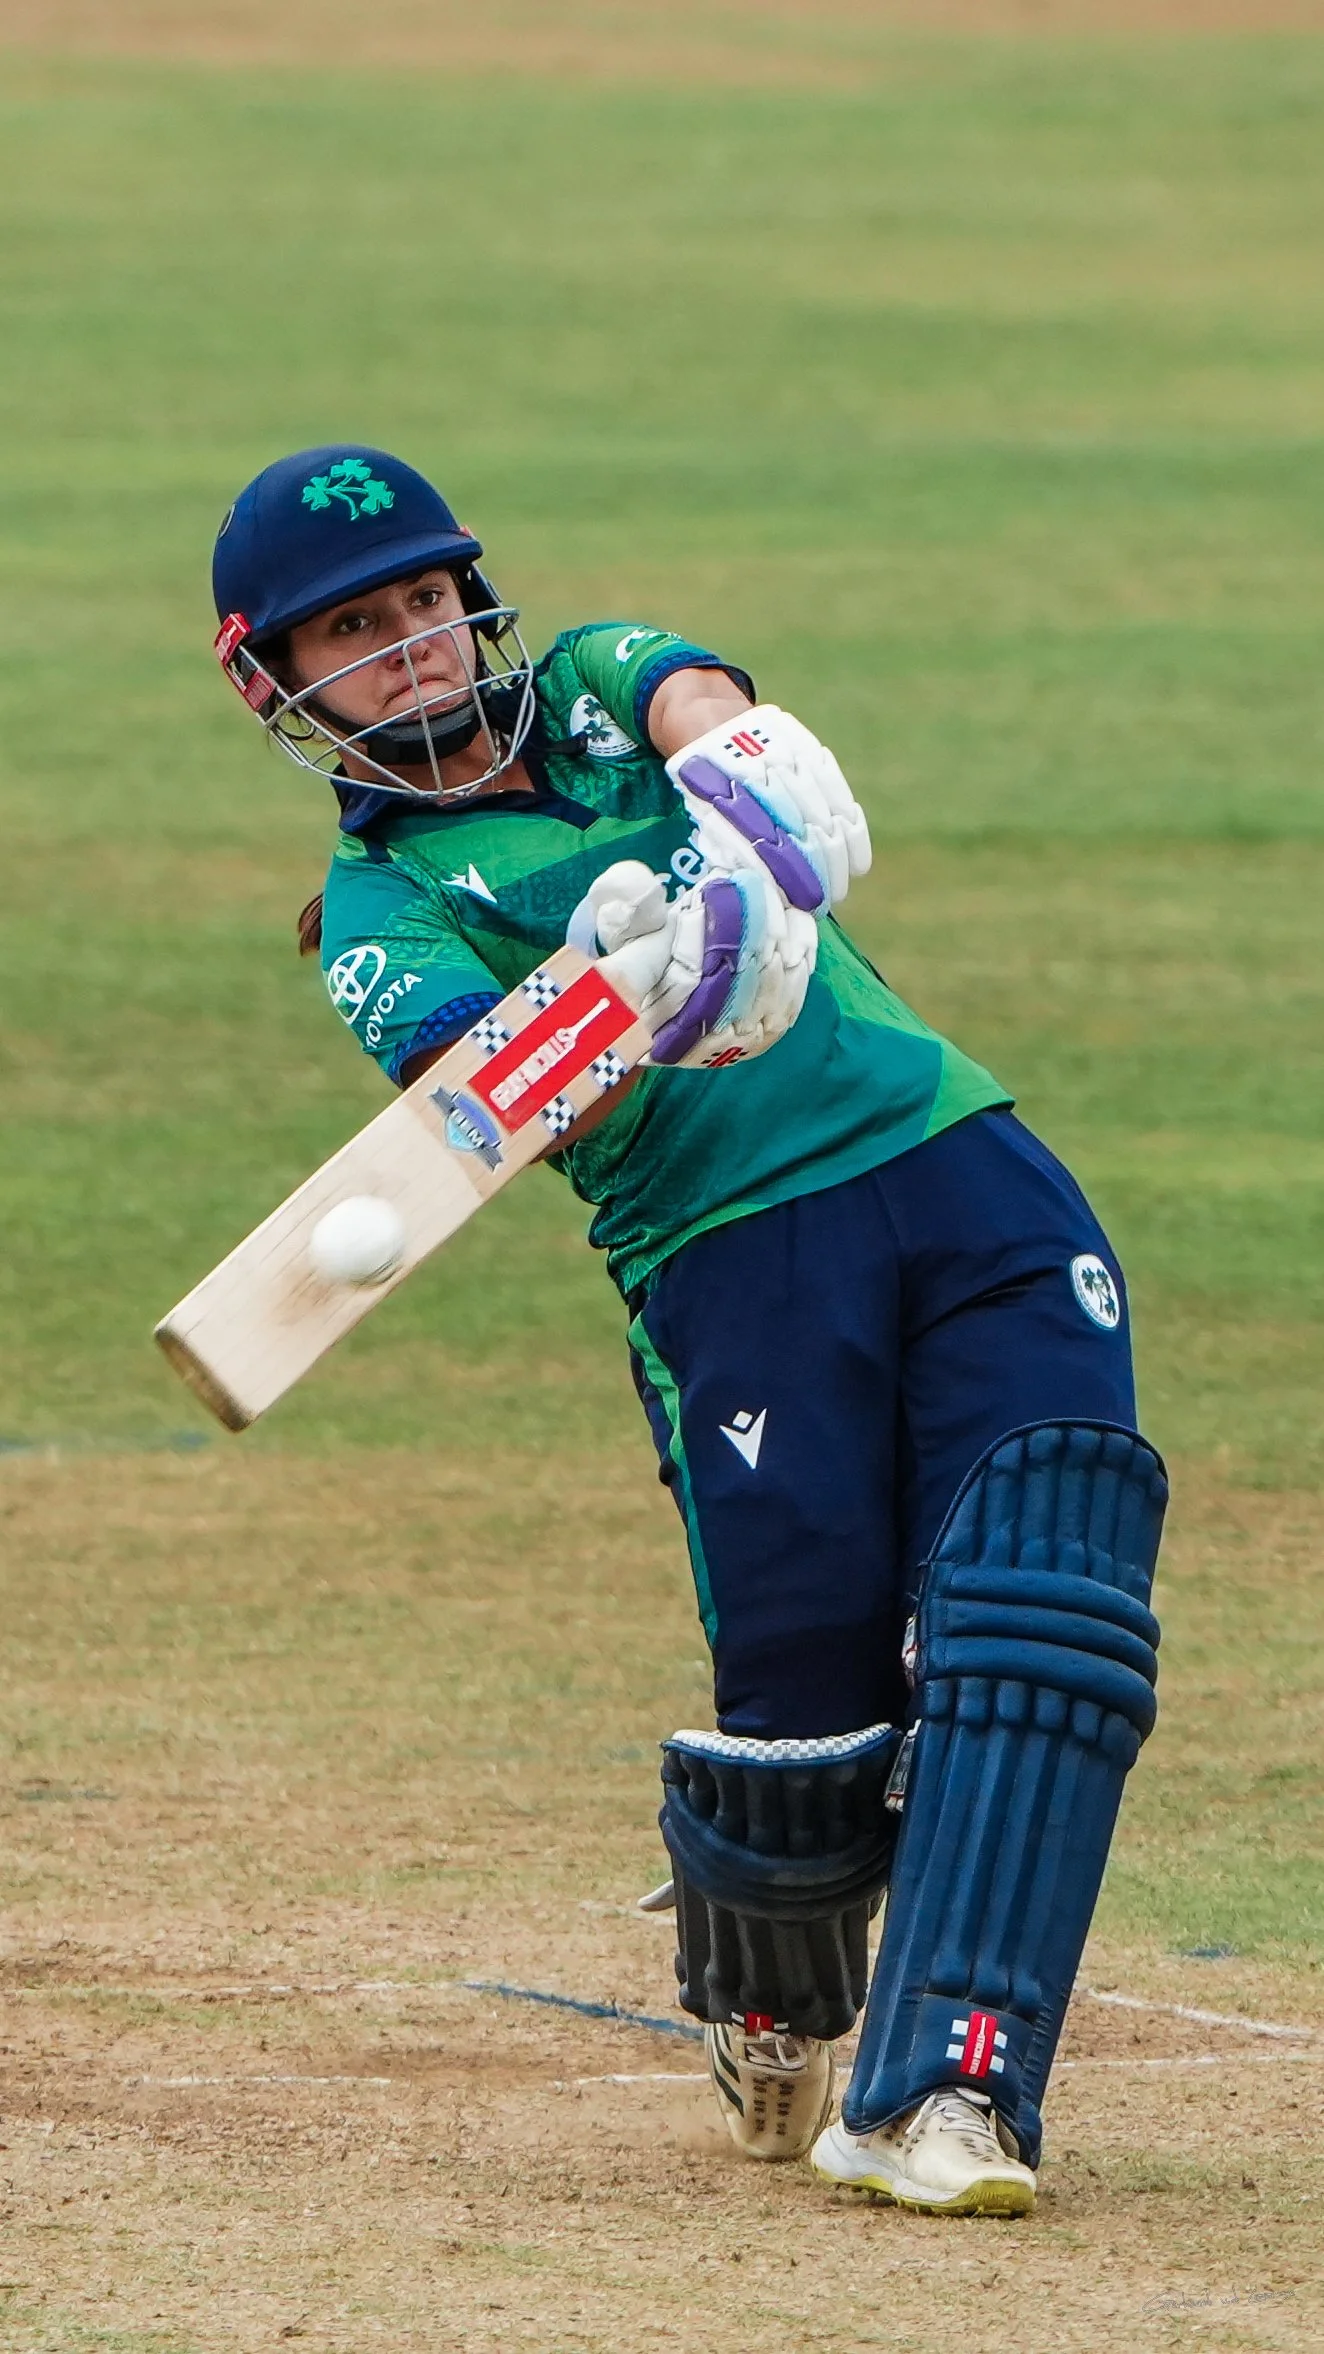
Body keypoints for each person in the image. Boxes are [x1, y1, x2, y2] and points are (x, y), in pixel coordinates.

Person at [210, 445, 1167, 2218]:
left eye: (425, 599)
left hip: (954, 1160)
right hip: (730, 1262)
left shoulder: (587, 687)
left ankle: (950, 2091)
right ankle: (769, 1991)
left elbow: (691, 697)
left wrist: (748, 773)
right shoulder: (379, 913)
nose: (412, 643)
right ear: (275, 683)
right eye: (354, 629)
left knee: (1042, 1607)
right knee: (810, 1721)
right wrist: (630, 987)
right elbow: (497, 1103)